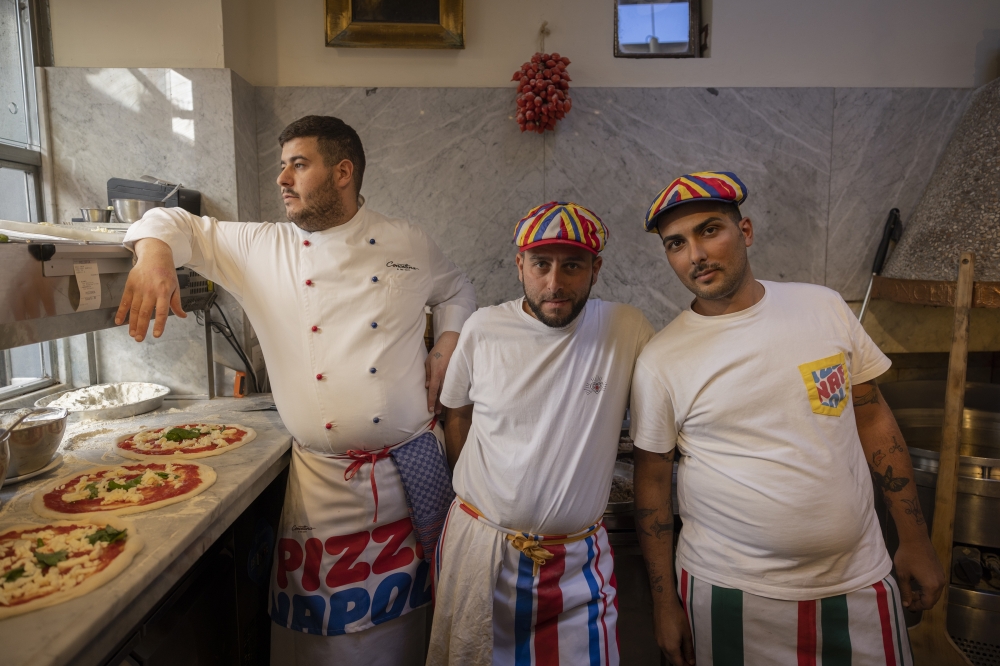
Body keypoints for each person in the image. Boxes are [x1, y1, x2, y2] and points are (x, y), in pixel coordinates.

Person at [115, 115, 476, 666]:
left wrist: (445, 346)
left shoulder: (408, 240)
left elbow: (457, 288)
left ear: (343, 172)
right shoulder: (261, 245)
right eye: (282, 164)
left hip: (409, 479)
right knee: (317, 641)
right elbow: (170, 220)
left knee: (412, 626)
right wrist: (155, 254)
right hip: (324, 489)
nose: (282, 178)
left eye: (298, 164)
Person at [629, 171, 945, 666]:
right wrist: (664, 603)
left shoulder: (823, 308)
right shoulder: (661, 360)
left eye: (710, 230)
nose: (696, 255)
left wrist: (916, 541)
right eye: (676, 244)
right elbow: (651, 481)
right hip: (732, 594)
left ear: (746, 231)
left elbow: (872, 417)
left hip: (861, 582)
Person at [428, 202, 654, 666]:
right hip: (482, 555)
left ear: (596, 268)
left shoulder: (625, 329)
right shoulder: (483, 328)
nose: (554, 283)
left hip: (577, 565)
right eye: (541, 264)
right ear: (520, 265)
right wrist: (488, 497)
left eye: (572, 265)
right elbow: (457, 416)